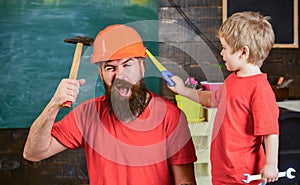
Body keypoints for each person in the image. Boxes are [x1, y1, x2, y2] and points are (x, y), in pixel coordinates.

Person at [23, 24, 197, 185]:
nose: (119, 76)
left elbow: (185, 181)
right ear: (101, 74)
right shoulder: (87, 114)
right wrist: (54, 104)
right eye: (110, 68)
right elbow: (33, 153)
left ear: (142, 67)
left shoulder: (171, 116)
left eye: (127, 65)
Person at [168, 12, 279, 185]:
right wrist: (183, 90)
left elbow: (270, 132)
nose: (221, 53)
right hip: (223, 171)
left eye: (225, 48)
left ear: (243, 52)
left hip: (244, 175)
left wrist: (271, 164)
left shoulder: (260, 89)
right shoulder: (233, 80)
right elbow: (213, 99)